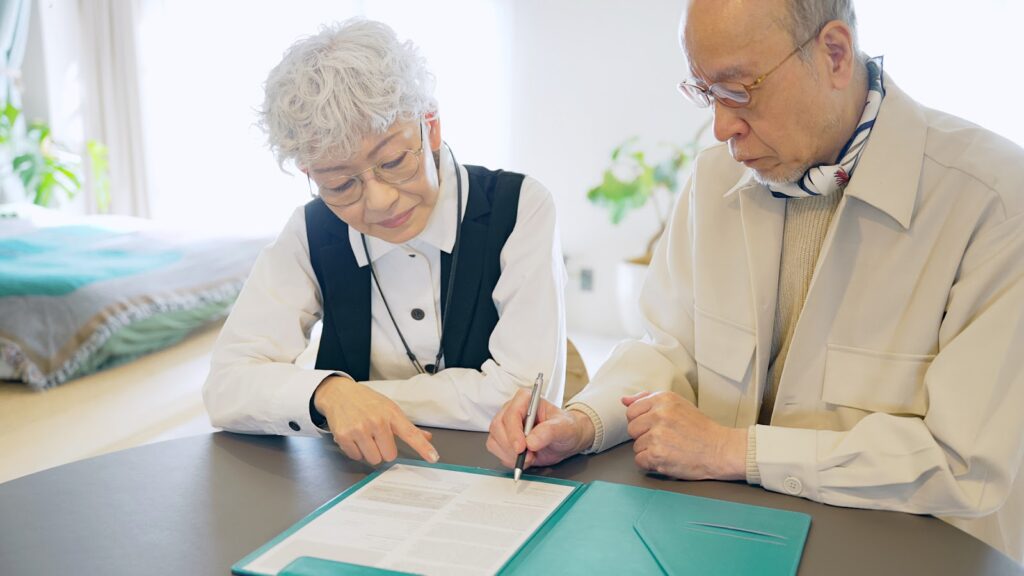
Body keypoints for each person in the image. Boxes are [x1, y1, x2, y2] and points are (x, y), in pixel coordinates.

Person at [486, 0, 1024, 563]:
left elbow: (963, 464)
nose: (722, 128)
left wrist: (733, 450)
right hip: (720, 539)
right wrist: (582, 422)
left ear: (834, 54)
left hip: (904, 555)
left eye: (739, 90)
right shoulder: (714, 177)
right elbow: (670, 350)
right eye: (705, 93)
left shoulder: (992, 200)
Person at [204, 19, 566, 468]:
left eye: (393, 162)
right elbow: (226, 387)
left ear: (430, 125)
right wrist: (328, 393)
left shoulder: (518, 207)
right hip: (356, 478)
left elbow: (521, 399)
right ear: (310, 174)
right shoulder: (311, 230)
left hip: (498, 473)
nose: (379, 201)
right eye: (340, 185)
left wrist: (355, 397)